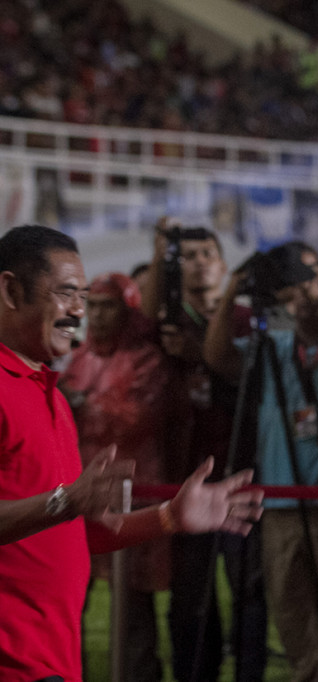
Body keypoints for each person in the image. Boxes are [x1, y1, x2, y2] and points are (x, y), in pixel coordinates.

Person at [0, 224, 263, 682]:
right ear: (10, 290)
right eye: (66, 294)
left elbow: (76, 529)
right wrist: (65, 501)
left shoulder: (51, 394)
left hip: (51, 659)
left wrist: (169, 517)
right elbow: (62, 508)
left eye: (84, 296)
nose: (78, 311)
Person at [204, 242, 318, 682]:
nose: (298, 295)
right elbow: (217, 357)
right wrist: (232, 293)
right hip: (280, 509)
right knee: (300, 639)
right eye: (293, 288)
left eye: (316, 284)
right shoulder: (273, 347)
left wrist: (316, 300)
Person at [140, 221, 268, 682]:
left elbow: (242, 378)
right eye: (187, 255)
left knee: (248, 590)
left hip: (239, 472)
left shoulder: (243, 319)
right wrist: (160, 256)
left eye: (205, 253)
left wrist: (199, 352)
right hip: (183, 475)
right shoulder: (167, 318)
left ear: (221, 264)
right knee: (191, 595)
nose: (197, 262)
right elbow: (142, 319)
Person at [59, 272, 175, 681]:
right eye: (94, 306)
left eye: (108, 306)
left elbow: (137, 416)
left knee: (134, 606)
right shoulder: (80, 356)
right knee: (68, 601)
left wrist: (79, 403)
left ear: (127, 310)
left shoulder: (145, 358)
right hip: (80, 493)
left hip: (132, 491)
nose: (98, 315)